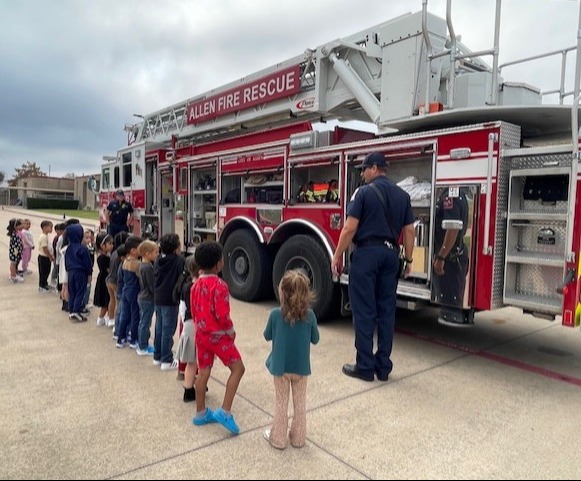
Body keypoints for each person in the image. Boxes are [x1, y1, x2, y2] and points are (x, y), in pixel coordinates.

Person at [331, 152, 414, 382]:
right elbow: (409, 231)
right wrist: (407, 260)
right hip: (391, 256)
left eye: (364, 168)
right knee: (386, 311)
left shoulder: (363, 192)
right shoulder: (403, 196)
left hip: (367, 255)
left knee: (364, 310)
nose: (362, 173)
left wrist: (337, 256)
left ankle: (365, 366)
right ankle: (383, 367)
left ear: (375, 168)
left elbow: (349, 228)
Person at [191, 241, 245, 435]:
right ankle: (225, 411)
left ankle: (200, 413)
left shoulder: (195, 284)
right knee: (238, 369)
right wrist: (230, 332)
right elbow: (222, 315)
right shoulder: (220, 285)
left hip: (201, 336)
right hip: (218, 337)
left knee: (203, 372)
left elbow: (195, 311)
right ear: (218, 264)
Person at [263, 270, 320, 450]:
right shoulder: (309, 315)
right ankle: (298, 438)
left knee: (281, 403)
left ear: (282, 292)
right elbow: (315, 339)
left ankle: (278, 439)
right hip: (301, 368)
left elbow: (267, 336)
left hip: (280, 367)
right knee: (300, 403)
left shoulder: (275, 314)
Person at [432, 187, 470, 326]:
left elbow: (452, 228)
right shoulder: (457, 193)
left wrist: (441, 257)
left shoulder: (450, 195)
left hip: (450, 258)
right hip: (454, 254)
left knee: (451, 307)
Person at [153, 233, 185, 371]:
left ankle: (158, 355)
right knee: (168, 329)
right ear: (176, 247)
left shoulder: (158, 259)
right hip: (171, 299)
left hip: (158, 297)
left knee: (159, 328)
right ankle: (166, 359)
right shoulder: (178, 261)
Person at [176, 255, 201, 402]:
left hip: (188, 324)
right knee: (201, 361)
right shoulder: (199, 287)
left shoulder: (185, 286)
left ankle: (188, 390)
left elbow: (183, 309)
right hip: (197, 325)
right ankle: (200, 385)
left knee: (191, 362)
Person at [116, 236, 143, 348]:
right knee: (135, 315)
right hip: (134, 291)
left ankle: (120, 337)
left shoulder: (125, 261)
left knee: (125, 315)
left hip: (125, 289)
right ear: (133, 250)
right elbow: (140, 278)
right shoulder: (137, 264)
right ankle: (134, 339)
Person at [65, 223, 93, 322]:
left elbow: (66, 261)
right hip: (80, 272)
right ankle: (76, 311)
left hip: (71, 272)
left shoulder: (69, 247)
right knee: (80, 291)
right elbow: (87, 263)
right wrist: (89, 273)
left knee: (72, 291)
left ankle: (71, 309)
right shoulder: (82, 248)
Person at [136, 240, 158, 356]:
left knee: (144, 321)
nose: (157, 255)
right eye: (155, 253)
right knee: (145, 322)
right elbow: (151, 285)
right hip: (147, 298)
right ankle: (143, 346)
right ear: (147, 254)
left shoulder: (143, 265)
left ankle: (142, 343)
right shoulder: (147, 268)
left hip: (143, 297)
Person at [94, 232, 114, 327]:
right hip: (104, 280)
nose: (112, 246)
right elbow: (108, 269)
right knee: (106, 301)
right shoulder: (102, 258)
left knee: (107, 300)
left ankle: (104, 318)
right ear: (102, 245)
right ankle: (102, 318)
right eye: (109, 244)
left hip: (103, 278)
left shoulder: (105, 256)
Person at [37, 220, 55, 293]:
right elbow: (45, 249)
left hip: (46, 257)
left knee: (47, 271)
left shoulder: (46, 236)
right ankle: (42, 286)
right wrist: (50, 256)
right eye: (50, 227)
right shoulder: (43, 237)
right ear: (44, 228)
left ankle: (45, 284)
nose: (51, 229)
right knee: (43, 272)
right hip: (44, 257)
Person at [7, 218, 24, 284]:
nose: (22, 226)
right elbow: (16, 245)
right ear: (16, 226)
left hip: (15, 251)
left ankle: (13, 274)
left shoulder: (16, 233)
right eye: (21, 224)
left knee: (14, 263)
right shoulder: (14, 234)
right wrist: (17, 252)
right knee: (13, 264)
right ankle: (13, 276)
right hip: (14, 252)